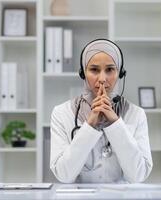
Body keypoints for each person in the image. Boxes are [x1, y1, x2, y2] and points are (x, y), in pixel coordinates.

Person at [50, 39, 153, 183]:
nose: (102, 79)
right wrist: (90, 124)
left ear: (120, 73)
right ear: (83, 73)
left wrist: (115, 124)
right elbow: (64, 176)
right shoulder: (62, 113)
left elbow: (138, 176)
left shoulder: (136, 114)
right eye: (94, 70)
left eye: (110, 69)